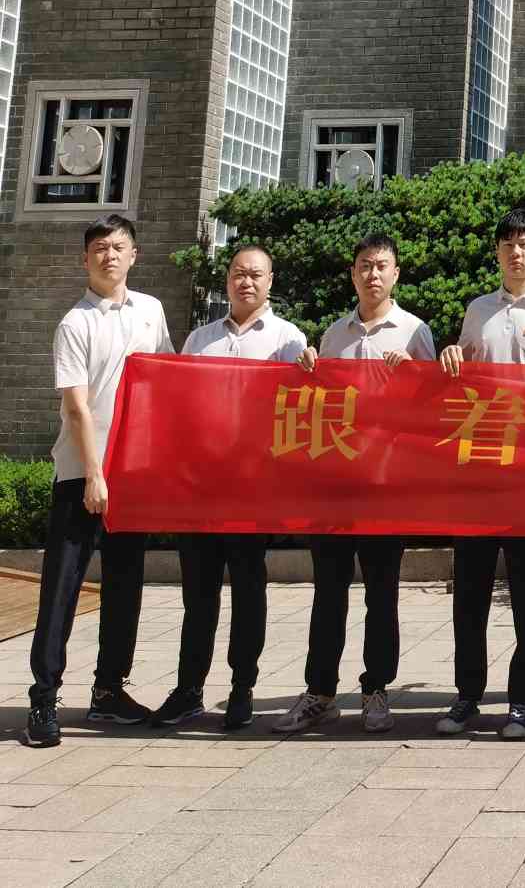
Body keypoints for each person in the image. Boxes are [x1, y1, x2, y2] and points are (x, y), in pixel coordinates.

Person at [273, 233, 436, 735]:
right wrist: (307, 370)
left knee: (382, 593)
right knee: (328, 592)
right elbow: (323, 403)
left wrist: (414, 374)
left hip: (386, 484)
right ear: (353, 274)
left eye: (382, 266)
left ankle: (376, 688)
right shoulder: (333, 334)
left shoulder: (414, 332)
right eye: (365, 265)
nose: (373, 274)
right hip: (337, 482)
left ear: (396, 274)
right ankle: (320, 691)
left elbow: (430, 406)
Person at [26, 215, 174, 748]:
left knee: (125, 585)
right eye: (99, 248)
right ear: (85, 258)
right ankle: (44, 698)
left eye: (118, 247)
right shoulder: (75, 323)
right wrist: (94, 473)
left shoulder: (151, 311)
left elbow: (164, 382)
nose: (109, 255)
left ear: (134, 254)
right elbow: (76, 407)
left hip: (132, 474)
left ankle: (109, 691)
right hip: (81, 476)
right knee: (61, 589)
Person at [156, 244, 306, 733]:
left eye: (256, 275)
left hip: (252, 490)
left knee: (248, 590)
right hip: (201, 488)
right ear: (227, 280)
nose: (247, 282)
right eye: (239, 273)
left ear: (270, 281)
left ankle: (242, 688)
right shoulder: (200, 340)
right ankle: (188, 690)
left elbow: (295, 409)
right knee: (198, 594)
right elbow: (179, 407)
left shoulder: (288, 340)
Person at [434, 209, 525, 741]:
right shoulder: (478, 311)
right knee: (468, 590)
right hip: (480, 472)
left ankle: (520, 700)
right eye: (508, 243)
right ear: (497, 252)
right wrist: (451, 353)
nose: (517, 252)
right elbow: (460, 379)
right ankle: (467, 694)